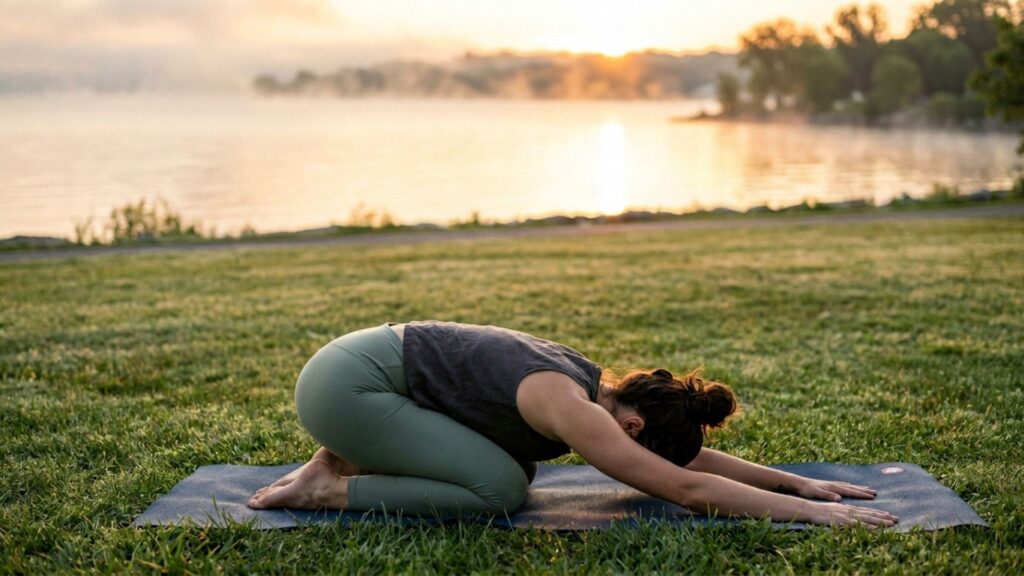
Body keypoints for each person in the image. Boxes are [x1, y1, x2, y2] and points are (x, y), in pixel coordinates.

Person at [248, 321, 897, 528]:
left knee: (514, 469)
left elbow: (680, 467)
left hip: (363, 372)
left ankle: (341, 460)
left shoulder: (594, 388)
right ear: (634, 426)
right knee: (498, 489)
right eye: (644, 449)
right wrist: (819, 517)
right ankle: (330, 487)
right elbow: (684, 487)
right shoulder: (572, 406)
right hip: (348, 387)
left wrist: (791, 483)